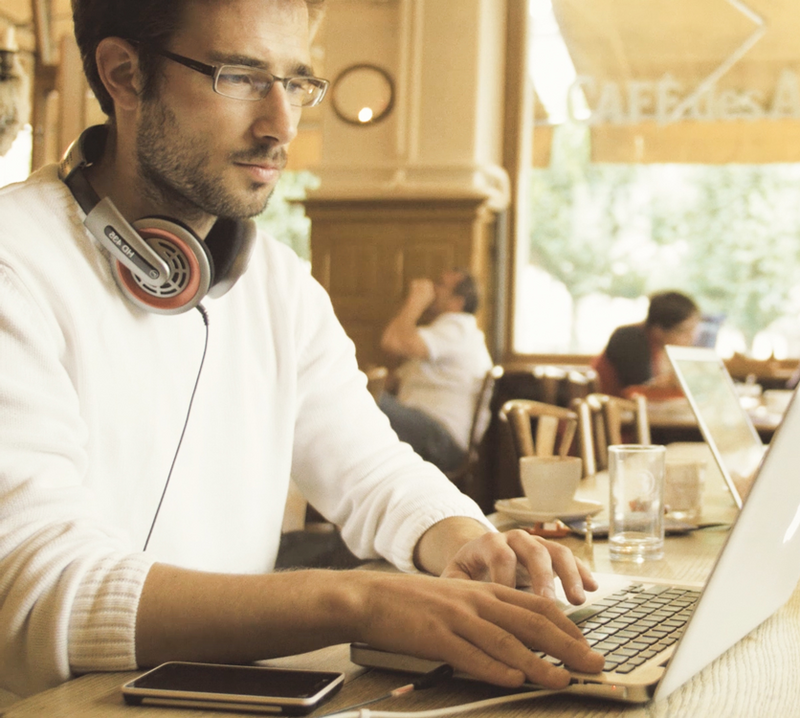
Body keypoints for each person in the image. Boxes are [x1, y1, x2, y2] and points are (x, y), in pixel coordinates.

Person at [0, 0, 604, 702]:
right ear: (125, 75)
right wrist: (362, 604)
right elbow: (38, 587)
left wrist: (465, 540)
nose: (281, 126)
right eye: (240, 77)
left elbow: (373, 469)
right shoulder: (16, 264)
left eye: (296, 83)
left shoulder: (278, 282)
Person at [378, 269, 492, 472]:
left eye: (440, 285)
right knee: (362, 398)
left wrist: (415, 301)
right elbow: (394, 367)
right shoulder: (442, 332)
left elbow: (392, 341)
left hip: (442, 439)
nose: (431, 288)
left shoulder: (458, 328)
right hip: (431, 431)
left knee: (367, 401)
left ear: (457, 302)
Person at [593, 290, 701, 397]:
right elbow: (637, 392)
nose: (692, 337)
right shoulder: (630, 338)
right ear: (658, 330)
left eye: (694, 329)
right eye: (683, 331)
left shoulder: (665, 347)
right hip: (612, 408)